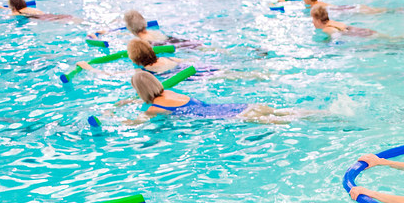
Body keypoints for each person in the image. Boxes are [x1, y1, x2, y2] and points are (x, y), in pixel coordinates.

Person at [127, 70, 303, 124]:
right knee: (291, 113)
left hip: (233, 117)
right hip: (238, 107)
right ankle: (325, 114)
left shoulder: (154, 109)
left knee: (291, 122)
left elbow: (134, 123)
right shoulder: (170, 92)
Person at [310, 5, 375, 38]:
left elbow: (336, 39)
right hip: (359, 30)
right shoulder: (332, 22)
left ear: (318, 21)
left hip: (356, 34)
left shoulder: (327, 29)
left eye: (313, 19)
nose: (312, 22)